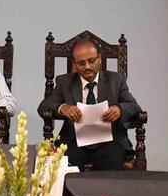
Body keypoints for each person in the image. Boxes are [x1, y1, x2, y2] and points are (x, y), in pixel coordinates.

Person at [38, 39, 141, 170]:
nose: (87, 67)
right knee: (67, 162)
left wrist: (119, 109)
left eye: (91, 61)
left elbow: (134, 107)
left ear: (100, 59)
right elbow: (44, 106)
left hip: (110, 141)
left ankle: (106, 192)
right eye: (81, 63)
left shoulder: (116, 80)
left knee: (111, 159)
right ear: (74, 63)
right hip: (74, 141)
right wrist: (63, 108)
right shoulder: (64, 82)